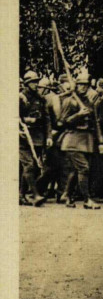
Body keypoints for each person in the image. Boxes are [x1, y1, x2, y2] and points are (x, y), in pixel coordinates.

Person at [59, 75, 102, 209]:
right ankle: (87, 200)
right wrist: (79, 115)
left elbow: (96, 122)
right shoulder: (69, 101)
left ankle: (67, 195)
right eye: (81, 84)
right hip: (73, 139)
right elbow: (62, 121)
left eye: (86, 85)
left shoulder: (89, 101)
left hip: (86, 140)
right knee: (84, 169)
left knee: (75, 170)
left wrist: (100, 141)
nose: (83, 87)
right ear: (76, 85)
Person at [19, 71, 51, 206]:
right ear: (26, 83)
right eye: (32, 82)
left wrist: (48, 136)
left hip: (37, 138)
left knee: (31, 168)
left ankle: (20, 195)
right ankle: (36, 195)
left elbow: (47, 120)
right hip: (23, 137)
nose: (35, 84)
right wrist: (18, 128)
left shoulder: (40, 99)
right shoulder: (20, 98)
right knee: (29, 165)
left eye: (36, 81)